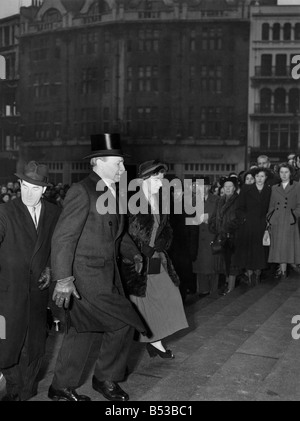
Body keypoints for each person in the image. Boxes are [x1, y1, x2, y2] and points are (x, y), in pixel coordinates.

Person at [48, 133, 145, 402]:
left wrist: (133, 253)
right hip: (86, 277)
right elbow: (63, 237)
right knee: (124, 322)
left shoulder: (112, 191)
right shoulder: (82, 191)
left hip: (106, 274)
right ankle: (105, 379)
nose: (123, 169)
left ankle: (60, 387)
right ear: (98, 162)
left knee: (83, 329)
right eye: (118, 164)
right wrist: (64, 279)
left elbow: (118, 233)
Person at [0, 161, 61, 401]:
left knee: (34, 347)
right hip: (8, 294)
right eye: (24, 185)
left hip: (38, 292)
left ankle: (24, 391)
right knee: (6, 345)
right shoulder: (5, 212)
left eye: (34, 188)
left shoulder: (54, 212)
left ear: (44, 190)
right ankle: (14, 387)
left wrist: (51, 268)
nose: (28, 192)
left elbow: (60, 247)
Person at [122, 160, 188, 359]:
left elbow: (166, 229)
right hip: (136, 262)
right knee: (141, 302)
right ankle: (152, 342)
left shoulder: (160, 201)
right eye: (158, 179)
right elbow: (124, 233)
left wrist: (162, 243)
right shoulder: (131, 201)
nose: (162, 183)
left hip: (156, 257)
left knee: (169, 296)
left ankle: (154, 339)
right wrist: (140, 250)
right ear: (145, 179)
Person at [234, 168, 272, 286]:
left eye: (262, 176)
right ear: (254, 177)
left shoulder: (269, 190)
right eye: (257, 176)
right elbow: (239, 208)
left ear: (266, 178)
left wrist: (268, 220)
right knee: (249, 254)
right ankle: (250, 277)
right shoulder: (246, 189)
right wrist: (245, 219)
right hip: (248, 226)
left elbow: (271, 207)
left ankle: (258, 276)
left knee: (260, 253)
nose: (260, 179)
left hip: (262, 225)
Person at [267, 163, 300, 279]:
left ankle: (289, 272)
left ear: (290, 173)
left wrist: (293, 216)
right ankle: (283, 272)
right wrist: (270, 218)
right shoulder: (274, 188)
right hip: (277, 221)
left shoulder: (297, 186)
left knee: (288, 248)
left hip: (290, 221)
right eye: (281, 172)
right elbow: (271, 205)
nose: (284, 175)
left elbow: (299, 205)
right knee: (280, 249)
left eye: (286, 172)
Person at [209, 177, 240, 295]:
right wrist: (213, 226)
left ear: (234, 188)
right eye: (225, 186)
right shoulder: (220, 200)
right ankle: (227, 285)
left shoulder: (238, 200)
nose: (227, 188)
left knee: (232, 263)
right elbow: (214, 216)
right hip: (221, 235)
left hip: (233, 236)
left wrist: (227, 227)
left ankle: (230, 288)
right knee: (223, 262)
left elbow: (239, 218)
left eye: (230, 186)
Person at [191, 176, 220, 297]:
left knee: (213, 265)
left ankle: (214, 289)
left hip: (211, 235)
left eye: (202, 186)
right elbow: (186, 219)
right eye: (197, 186)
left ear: (208, 187)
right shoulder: (191, 200)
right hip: (197, 236)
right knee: (200, 266)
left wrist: (211, 221)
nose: (199, 188)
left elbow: (221, 218)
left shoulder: (217, 200)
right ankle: (202, 289)